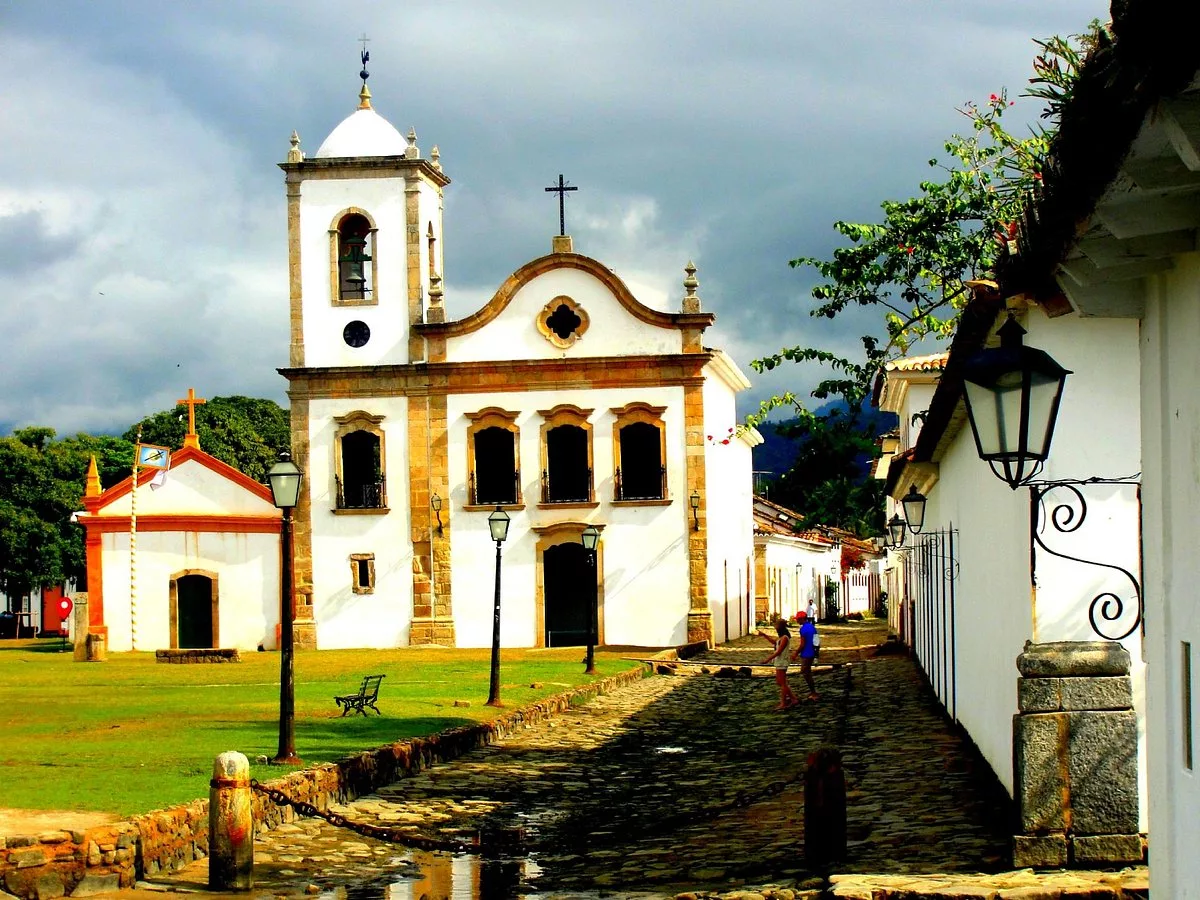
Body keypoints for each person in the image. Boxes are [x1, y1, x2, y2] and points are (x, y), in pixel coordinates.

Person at [758, 618, 799, 710]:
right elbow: (775, 643)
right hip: (779, 661)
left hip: (782, 661)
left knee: (783, 683)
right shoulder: (781, 637)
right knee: (779, 682)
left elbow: (779, 651)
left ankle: (783, 703)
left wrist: (767, 659)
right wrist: (765, 635)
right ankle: (793, 699)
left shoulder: (785, 638)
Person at [790, 610, 820, 701]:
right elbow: (817, 641)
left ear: (802, 619)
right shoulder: (812, 627)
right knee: (806, 672)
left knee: (806, 672)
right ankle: (813, 692)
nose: (797, 621)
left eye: (798, 619)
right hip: (812, 652)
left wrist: (796, 653)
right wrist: (816, 653)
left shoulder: (803, 629)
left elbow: (802, 644)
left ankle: (813, 692)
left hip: (806, 653)